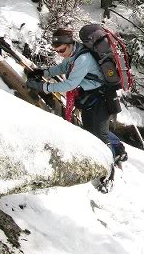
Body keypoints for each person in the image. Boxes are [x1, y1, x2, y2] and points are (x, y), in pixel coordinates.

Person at [27, 28, 126, 191]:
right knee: (88, 132)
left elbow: (69, 84)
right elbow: (62, 68)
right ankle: (113, 149)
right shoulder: (74, 54)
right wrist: (43, 72)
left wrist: (42, 87)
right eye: (56, 51)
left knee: (100, 137)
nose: (60, 53)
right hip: (89, 97)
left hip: (101, 99)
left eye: (62, 50)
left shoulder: (83, 59)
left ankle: (108, 174)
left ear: (70, 44)